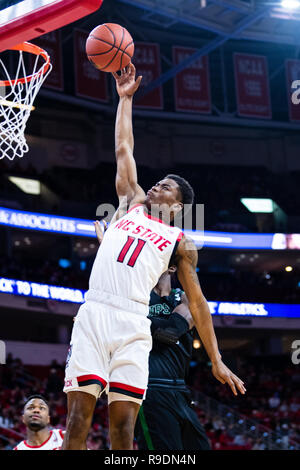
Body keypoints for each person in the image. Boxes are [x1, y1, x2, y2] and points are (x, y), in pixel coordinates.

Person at [62, 63, 246, 451]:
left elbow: (197, 303)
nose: (157, 186)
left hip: (133, 322)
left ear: (178, 207)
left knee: (124, 433)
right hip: (95, 313)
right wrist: (125, 100)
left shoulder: (180, 241)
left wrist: (216, 359)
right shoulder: (130, 203)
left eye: (166, 188)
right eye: (158, 182)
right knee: (78, 421)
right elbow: (123, 149)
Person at [134, 266, 211, 450]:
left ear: (172, 266)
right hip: (149, 388)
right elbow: (171, 329)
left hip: (180, 389)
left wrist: (136, 322)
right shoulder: (137, 296)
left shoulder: (185, 297)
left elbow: (170, 333)